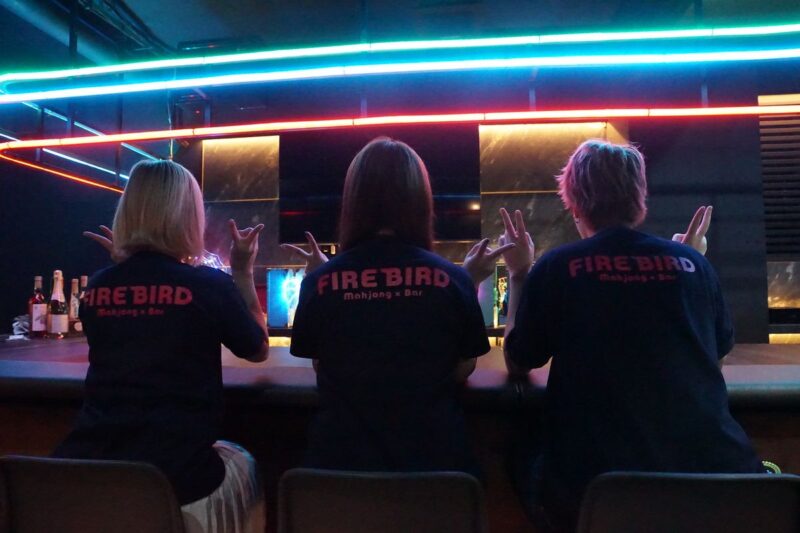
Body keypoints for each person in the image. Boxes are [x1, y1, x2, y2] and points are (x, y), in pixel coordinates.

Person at [499, 140, 763, 532]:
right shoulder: (692, 264)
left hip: (598, 494)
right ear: (639, 198)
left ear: (574, 203)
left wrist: (520, 274)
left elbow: (518, 361)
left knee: (517, 455)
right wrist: (688, 262)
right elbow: (714, 359)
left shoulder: (558, 267)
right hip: (715, 485)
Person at [53, 160, 269, 533]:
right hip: (177, 475)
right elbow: (258, 348)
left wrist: (125, 264)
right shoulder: (207, 284)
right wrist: (242, 271)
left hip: (88, 466)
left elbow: (139, 331)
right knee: (245, 461)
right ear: (189, 216)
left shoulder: (98, 286)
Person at [282, 137, 511, 476]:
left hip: (338, 477)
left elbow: (321, 364)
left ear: (353, 202)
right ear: (420, 201)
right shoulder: (452, 279)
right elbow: (463, 367)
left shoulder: (320, 282)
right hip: (437, 476)